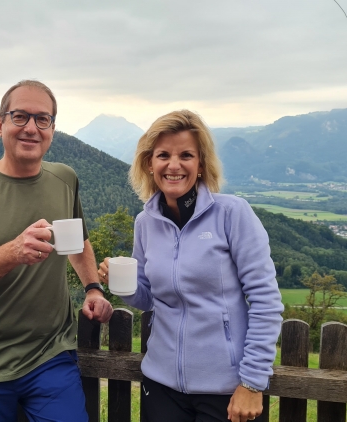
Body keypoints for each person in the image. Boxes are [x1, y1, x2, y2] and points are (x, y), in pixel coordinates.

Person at [0, 80, 113, 422]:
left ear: (53, 130)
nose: (31, 128)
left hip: (51, 355)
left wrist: (92, 287)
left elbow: (77, 241)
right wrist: (12, 252)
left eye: (42, 119)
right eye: (20, 116)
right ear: (0, 124)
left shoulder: (65, 179)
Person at [98, 110, 283, 422]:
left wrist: (252, 382)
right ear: (149, 164)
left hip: (226, 389)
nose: (173, 165)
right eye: (163, 155)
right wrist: (122, 284)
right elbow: (149, 298)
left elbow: (266, 302)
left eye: (186, 155)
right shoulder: (146, 222)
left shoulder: (232, 214)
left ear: (200, 164)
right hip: (161, 385)